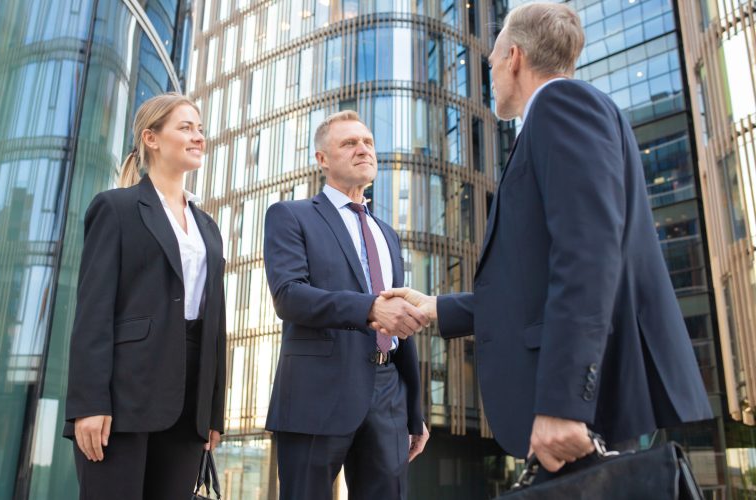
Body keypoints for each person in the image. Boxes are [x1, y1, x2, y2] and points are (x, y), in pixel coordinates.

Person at [378, 2, 712, 475]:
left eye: (491, 61)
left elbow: (587, 255)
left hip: (587, 405)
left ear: (513, 57)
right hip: (591, 401)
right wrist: (436, 307)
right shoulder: (565, 114)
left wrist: (563, 401)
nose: (490, 72)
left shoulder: (560, 106)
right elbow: (537, 285)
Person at [63, 92, 227, 499]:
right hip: (124, 397)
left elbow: (216, 323)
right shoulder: (115, 208)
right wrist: (89, 403)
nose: (198, 137)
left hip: (190, 401)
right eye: (186, 128)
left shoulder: (208, 226)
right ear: (151, 138)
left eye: (200, 129)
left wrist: (213, 411)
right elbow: (93, 312)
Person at [263, 111, 430, 500]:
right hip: (316, 392)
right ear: (322, 159)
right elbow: (289, 295)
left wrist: (414, 411)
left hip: (389, 395)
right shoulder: (290, 215)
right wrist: (370, 308)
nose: (363, 149)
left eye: (368, 142)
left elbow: (398, 321)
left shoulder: (387, 234)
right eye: (349, 143)